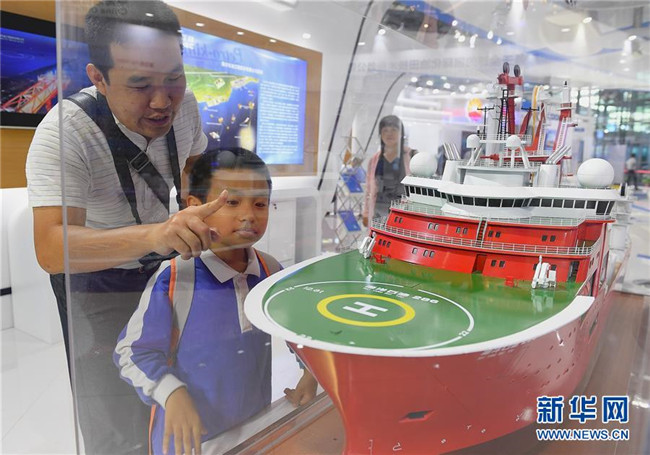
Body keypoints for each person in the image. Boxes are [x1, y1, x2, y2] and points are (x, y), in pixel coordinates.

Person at [25, 1, 218, 452]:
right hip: (95, 281)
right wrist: (156, 234)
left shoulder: (186, 106)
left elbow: (194, 167)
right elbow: (51, 248)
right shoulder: (65, 132)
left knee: (179, 390)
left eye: (174, 78)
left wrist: (202, 208)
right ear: (98, 77)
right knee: (113, 417)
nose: (162, 101)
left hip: (163, 269)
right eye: (140, 84)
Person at [114, 148, 318, 455]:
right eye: (232, 202)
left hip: (254, 426)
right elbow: (131, 352)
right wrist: (172, 393)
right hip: (189, 441)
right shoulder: (175, 278)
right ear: (196, 208)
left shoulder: (270, 270)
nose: (248, 214)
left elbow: (296, 328)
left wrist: (310, 371)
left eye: (260, 203)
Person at [362, 115, 413, 227]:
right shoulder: (374, 160)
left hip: (403, 212)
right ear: (380, 134)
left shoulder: (411, 156)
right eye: (385, 130)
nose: (389, 134)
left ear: (401, 133)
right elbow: (369, 189)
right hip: (378, 211)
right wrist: (366, 212)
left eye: (394, 129)